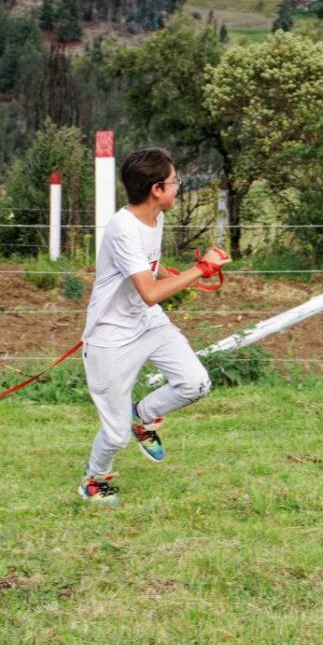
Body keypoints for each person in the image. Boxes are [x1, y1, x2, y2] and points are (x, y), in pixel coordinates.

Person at [78, 147, 230, 504]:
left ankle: (143, 416)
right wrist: (200, 270)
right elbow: (148, 293)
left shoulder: (155, 216)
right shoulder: (123, 229)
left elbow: (148, 265)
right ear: (156, 190)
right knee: (115, 436)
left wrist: (169, 274)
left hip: (146, 322)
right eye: (174, 182)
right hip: (111, 336)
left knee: (195, 383)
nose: (178, 187)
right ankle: (94, 482)